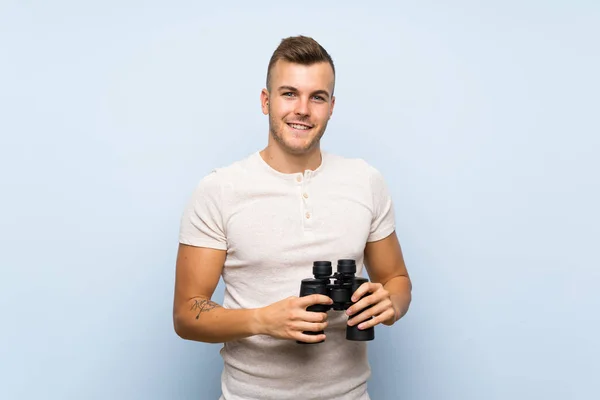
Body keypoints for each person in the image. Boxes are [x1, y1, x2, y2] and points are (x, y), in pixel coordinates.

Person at [173, 35, 412, 400]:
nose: (302, 109)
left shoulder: (366, 181)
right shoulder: (220, 189)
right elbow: (187, 314)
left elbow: (397, 280)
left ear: (331, 107)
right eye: (289, 94)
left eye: (317, 97)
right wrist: (263, 320)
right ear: (266, 101)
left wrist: (390, 303)